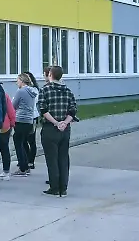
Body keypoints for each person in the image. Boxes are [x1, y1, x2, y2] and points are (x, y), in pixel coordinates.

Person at [37, 65, 78, 197]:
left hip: (50, 128)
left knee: (52, 158)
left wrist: (55, 122)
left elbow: (43, 109)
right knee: (63, 157)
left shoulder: (45, 90)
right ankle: (63, 187)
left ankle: (54, 187)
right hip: (65, 129)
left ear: (50, 75)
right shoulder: (68, 91)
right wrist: (65, 122)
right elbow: (73, 110)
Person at [11, 72, 41, 176]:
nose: (16, 82)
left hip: (20, 119)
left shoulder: (21, 91)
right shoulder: (32, 91)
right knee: (24, 142)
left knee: (18, 143)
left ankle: (23, 168)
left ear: (22, 81)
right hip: (29, 120)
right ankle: (27, 165)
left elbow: (13, 106)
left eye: (18, 80)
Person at [0, 85, 17, 181]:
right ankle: (6, 171)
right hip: (5, 125)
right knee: (4, 148)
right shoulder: (5, 96)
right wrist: (12, 124)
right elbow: (11, 111)